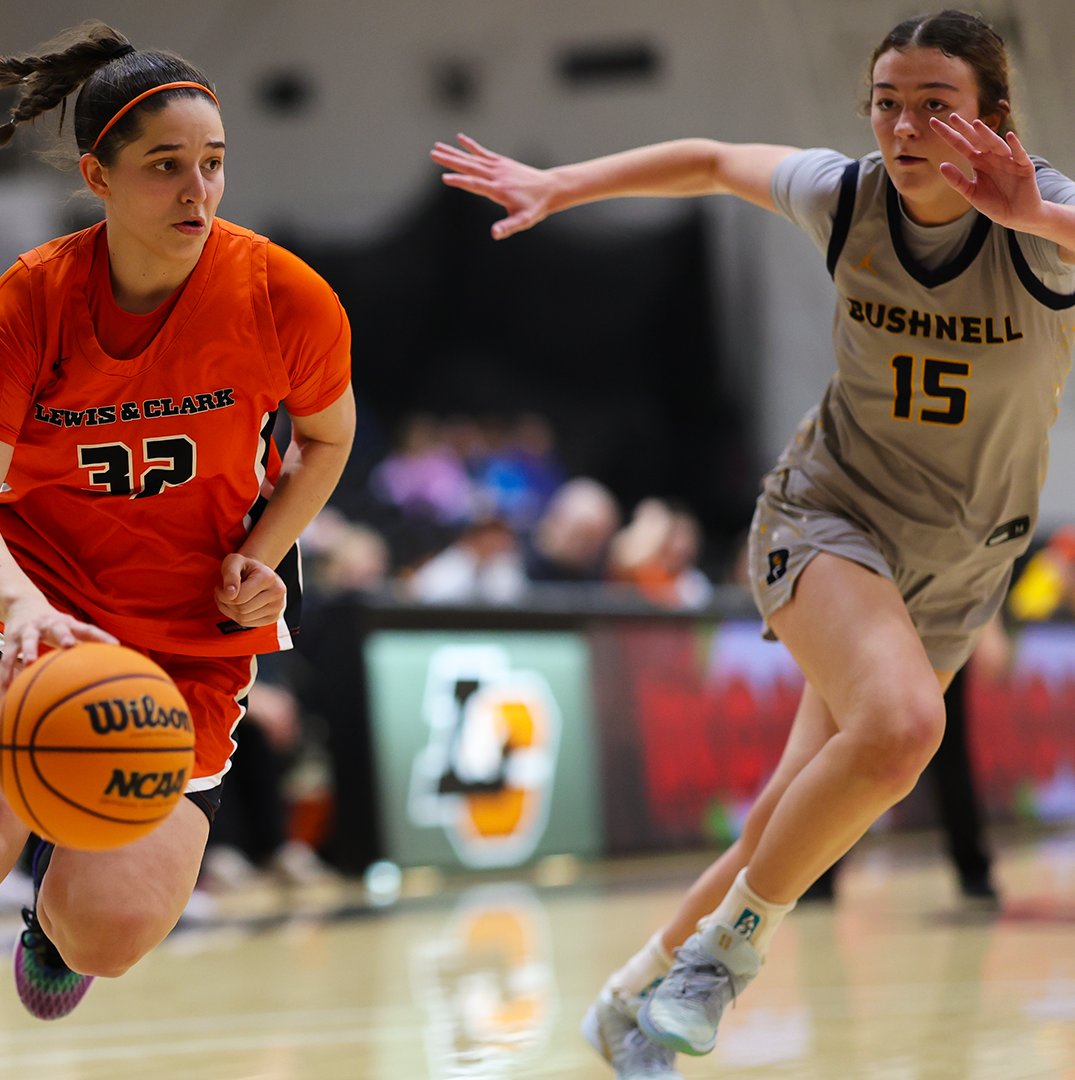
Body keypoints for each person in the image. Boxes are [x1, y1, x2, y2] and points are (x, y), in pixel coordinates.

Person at [434, 9, 1075, 1078]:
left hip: (964, 562)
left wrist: (1041, 218)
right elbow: (712, 160)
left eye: (935, 106)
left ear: (995, 120)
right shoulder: (849, 195)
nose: (904, 127)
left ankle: (630, 1002)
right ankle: (723, 963)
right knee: (908, 724)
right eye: (886, 103)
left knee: (787, 818)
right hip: (831, 517)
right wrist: (564, 185)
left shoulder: (1041, 219)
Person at [0, 22, 354, 1078]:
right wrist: (19, 604)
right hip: (35, 595)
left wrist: (269, 550)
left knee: (111, 930)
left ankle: (54, 925)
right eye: (166, 166)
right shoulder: (33, 298)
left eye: (214, 162)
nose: (198, 190)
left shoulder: (283, 295)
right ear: (99, 177)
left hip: (188, 635)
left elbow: (328, 438)